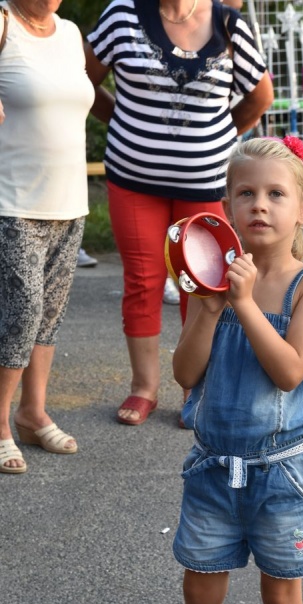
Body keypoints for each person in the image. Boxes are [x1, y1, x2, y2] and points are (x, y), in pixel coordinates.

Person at [125, 137, 303, 604]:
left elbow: (290, 371)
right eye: (245, 193)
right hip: (214, 470)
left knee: (282, 600)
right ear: (227, 206)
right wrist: (210, 308)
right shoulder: (212, 278)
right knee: (199, 591)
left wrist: (243, 305)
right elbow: (186, 373)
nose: (259, 205)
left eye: (276, 194)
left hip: (282, 475)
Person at [84, 0, 273, 426]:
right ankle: (143, 387)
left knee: (203, 286)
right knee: (142, 281)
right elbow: (83, 82)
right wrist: (123, 122)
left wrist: (217, 135)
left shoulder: (228, 23)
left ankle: (195, 388)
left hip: (206, 184)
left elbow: (260, 97)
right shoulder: (122, 15)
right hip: (133, 180)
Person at [0, 0, 95, 474]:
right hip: (13, 200)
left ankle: (32, 413)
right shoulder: (2, 24)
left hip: (69, 201)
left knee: (49, 316)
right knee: (21, 313)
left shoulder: (70, 33)